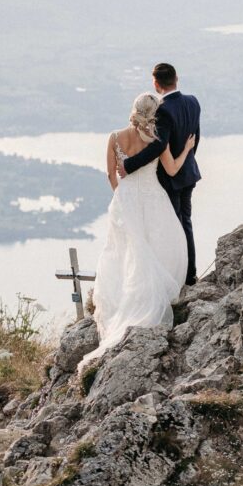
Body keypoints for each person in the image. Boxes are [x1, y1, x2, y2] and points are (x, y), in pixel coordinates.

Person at [77, 91, 196, 371]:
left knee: (125, 251)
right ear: (154, 114)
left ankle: (124, 299)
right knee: (159, 244)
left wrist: (122, 198)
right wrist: (187, 149)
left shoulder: (115, 137)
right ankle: (151, 297)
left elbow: (111, 173)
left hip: (126, 200)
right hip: (153, 198)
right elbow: (172, 169)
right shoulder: (157, 140)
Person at [118, 62, 201, 286]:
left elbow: (158, 145)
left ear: (156, 83)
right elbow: (195, 138)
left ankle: (179, 275)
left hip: (170, 177)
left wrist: (129, 165)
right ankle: (190, 273)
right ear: (177, 78)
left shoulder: (162, 109)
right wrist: (186, 162)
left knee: (173, 228)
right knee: (185, 223)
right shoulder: (193, 102)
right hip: (188, 172)